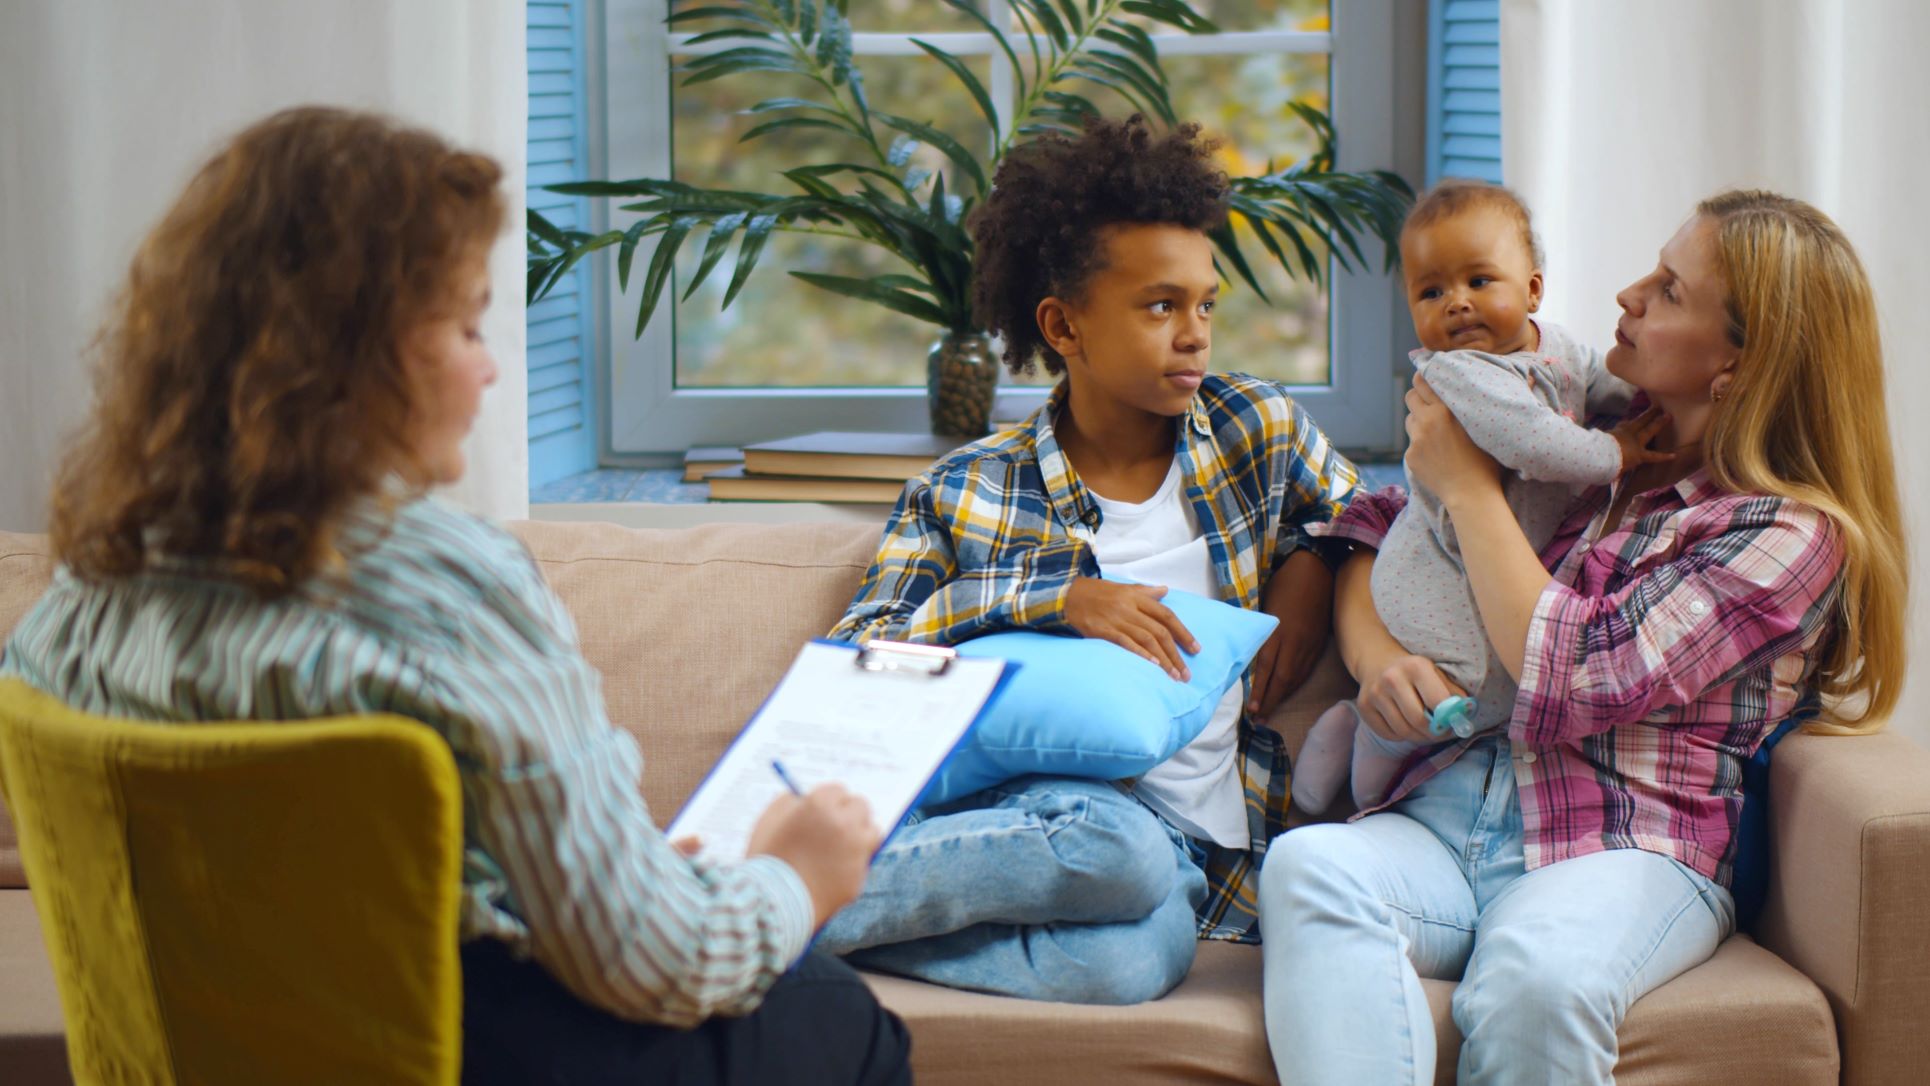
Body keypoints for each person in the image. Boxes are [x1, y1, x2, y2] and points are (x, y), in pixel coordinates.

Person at [0, 106, 910, 1085]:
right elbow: (656, 966)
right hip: (451, 1051)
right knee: (833, 1012)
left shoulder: (74, 603)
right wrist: (793, 878)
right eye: (469, 324)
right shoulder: (450, 587)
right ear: (350, 351)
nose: (487, 371)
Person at [1259, 189, 1907, 1085]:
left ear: (1739, 364)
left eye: (1671, 291)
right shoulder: (1591, 447)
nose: (1627, 296)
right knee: (1309, 866)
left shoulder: (1787, 536)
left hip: (1627, 844)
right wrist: (1378, 659)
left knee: (1537, 981)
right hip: (1447, 820)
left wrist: (1474, 489)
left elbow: (1570, 675)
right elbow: (1380, 524)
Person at [816, 115, 1361, 1003]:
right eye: (1160, 306)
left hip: (1192, 859)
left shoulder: (1253, 429)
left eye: (1205, 303)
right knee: (1116, 848)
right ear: (1063, 325)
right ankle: (725, 901)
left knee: (1132, 965)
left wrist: (1309, 566)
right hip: (1049, 816)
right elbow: (857, 660)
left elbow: (1364, 515)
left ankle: (798, 932)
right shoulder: (964, 490)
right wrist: (1058, 599)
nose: (1195, 335)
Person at [1290, 180, 1673, 814]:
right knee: (1470, 686)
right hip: (1435, 567)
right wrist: (1619, 452)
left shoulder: (1562, 349)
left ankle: (1362, 733)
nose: (1457, 305)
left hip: (1485, 557)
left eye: (1479, 281)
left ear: (1533, 290)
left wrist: (1646, 409)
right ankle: (1369, 745)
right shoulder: (1458, 372)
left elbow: (1605, 386)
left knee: (1493, 689)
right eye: (1431, 291)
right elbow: (1535, 442)